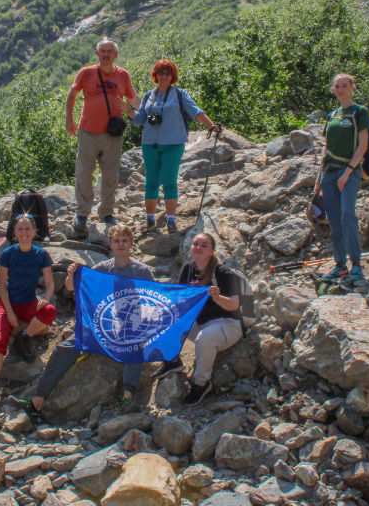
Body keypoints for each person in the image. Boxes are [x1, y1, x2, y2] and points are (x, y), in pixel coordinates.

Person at [8, 223, 154, 422]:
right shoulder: (103, 268)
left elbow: (154, 300)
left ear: (131, 244)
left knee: (135, 342)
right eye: (117, 241)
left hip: (129, 327)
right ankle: (36, 402)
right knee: (62, 350)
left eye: (125, 241)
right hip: (102, 326)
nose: (121, 245)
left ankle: (128, 398)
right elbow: (71, 287)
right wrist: (71, 275)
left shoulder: (142, 271)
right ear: (110, 244)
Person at [122, 59, 221, 234]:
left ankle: (171, 221)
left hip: (173, 144)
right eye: (161, 72)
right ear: (156, 75)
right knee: (151, 182)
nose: (164, 76)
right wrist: (127, 110)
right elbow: (140, 120)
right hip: (150, 143)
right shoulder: (148, 95)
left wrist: (211, 126)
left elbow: (196, 112)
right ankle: (150, 220)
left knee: (169, 182)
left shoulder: (181, 94)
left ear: (172, 76)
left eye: (168, 73)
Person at [152, 232, 243, 406]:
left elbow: (234, 305)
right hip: (201, 323)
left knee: (205, 338)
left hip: (227, 324)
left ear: (212, 251)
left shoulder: (222, 272)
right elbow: (181, 299)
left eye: (204, 245)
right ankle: (172, 360)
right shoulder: (188, 268)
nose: (198, 248)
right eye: (195, 244)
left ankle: (201, 383)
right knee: (165, 318)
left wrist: (217, 297)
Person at [65, 38, 140, 237]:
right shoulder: (86, 72)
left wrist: (149, 113)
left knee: (111, 175)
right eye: (102, 51)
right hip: (88, 131)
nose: (106, 54)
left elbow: (132, 98)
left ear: (116, 54)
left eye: (109, 51)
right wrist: (68, 120)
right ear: (97, 54)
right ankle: (82, 213)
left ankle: (106, 212)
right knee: (84, 172)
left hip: (112, 134)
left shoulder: (123, 75)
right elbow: (72, 94)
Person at [0, 215, 56, 410]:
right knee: (0, 339)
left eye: (28, 229)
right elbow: (2, 287)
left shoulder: (41, 254)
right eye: (20, 229)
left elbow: (50, 283)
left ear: (34, 231)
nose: (24, 233)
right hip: (9, 303)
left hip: (29, 302)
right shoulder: (8, 254)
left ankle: (24, 337)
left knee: (49, 311)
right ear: (15, 233)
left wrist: (46, 300)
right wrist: (9, 313)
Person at [313, 73, 369, 280]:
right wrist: (318, 180)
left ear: (353, 87)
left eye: (344, 85)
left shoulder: (359, 112)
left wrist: (347, 173)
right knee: (334, 219)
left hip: (350, 170)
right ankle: (340, 264)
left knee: (347, 214)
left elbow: (362, 145)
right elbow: (326, 149)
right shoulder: (332, 115)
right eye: (337, 86)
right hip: (329, 171)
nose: (340, 90)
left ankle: (356, 263)